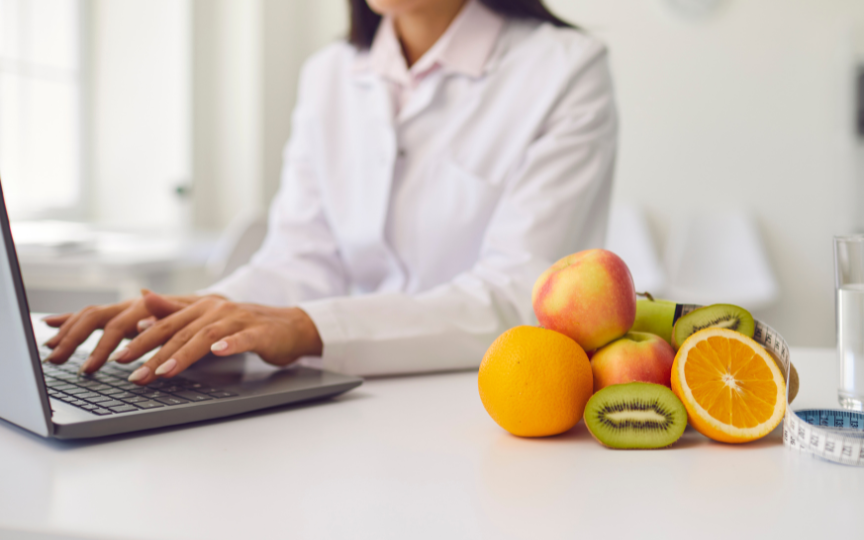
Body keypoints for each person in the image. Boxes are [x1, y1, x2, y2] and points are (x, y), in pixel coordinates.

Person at [42, 0, 618, 385]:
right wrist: (198, 320)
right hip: (337, 395)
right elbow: (301, 258)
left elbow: (520, 297)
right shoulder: (329, 74)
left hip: (481, 398)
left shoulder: (564, 69)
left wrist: (310, 327)